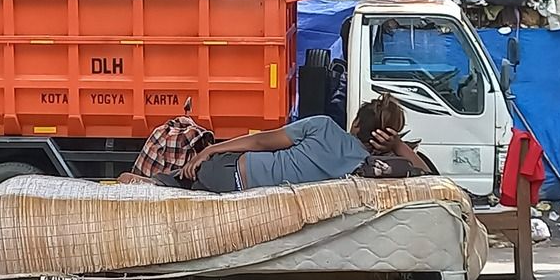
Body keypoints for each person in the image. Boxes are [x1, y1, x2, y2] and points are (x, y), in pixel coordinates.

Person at [118, 95, 428, 192]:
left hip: (229, 171)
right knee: (186, 182)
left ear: (356, 124)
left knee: (186, 179)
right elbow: (428, 177)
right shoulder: (372, 170)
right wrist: (399, 146)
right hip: (237, 180)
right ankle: (155, 184)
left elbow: (262, 142)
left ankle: (146, 184)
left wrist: (211, 148)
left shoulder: (322, 125)